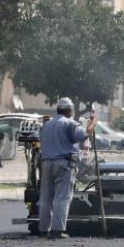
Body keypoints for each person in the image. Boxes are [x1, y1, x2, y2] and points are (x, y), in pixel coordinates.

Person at [37, 97, 96, 238]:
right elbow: (84, 135)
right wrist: (94, 122)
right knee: (62, 197)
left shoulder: (47, 125)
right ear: (69, 110)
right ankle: (57, 230)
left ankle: (44, 229)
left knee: (46, 197)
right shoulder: (70, 123)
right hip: (63, 164)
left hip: (46, 163)